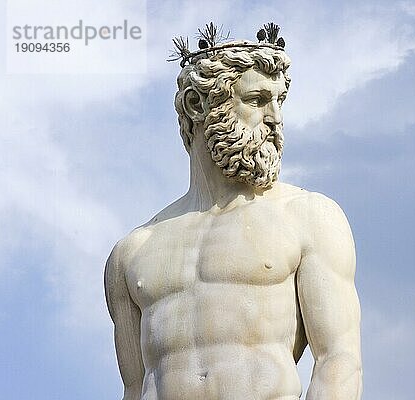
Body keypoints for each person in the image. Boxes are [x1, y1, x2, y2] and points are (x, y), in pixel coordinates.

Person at [105, 27, 362, 400]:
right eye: (257, 99)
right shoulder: (132, 253)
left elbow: (339, 361)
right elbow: (133, 388)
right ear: (197, 106)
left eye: (279, 101)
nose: (275, 118)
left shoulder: (308, 218)